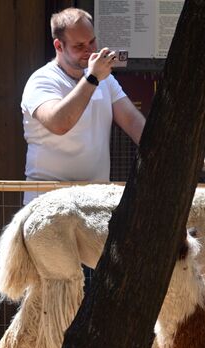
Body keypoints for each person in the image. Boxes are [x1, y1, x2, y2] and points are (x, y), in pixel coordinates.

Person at [21, 7, 145, 204]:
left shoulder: (104, 79)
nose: (89, 50)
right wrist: (92, 77)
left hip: (95, 198)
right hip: (48, 199)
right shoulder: (42, 80)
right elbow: (59, 123)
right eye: (79, 46)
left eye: (92, 41)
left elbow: (133, 122)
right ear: (58, 46)